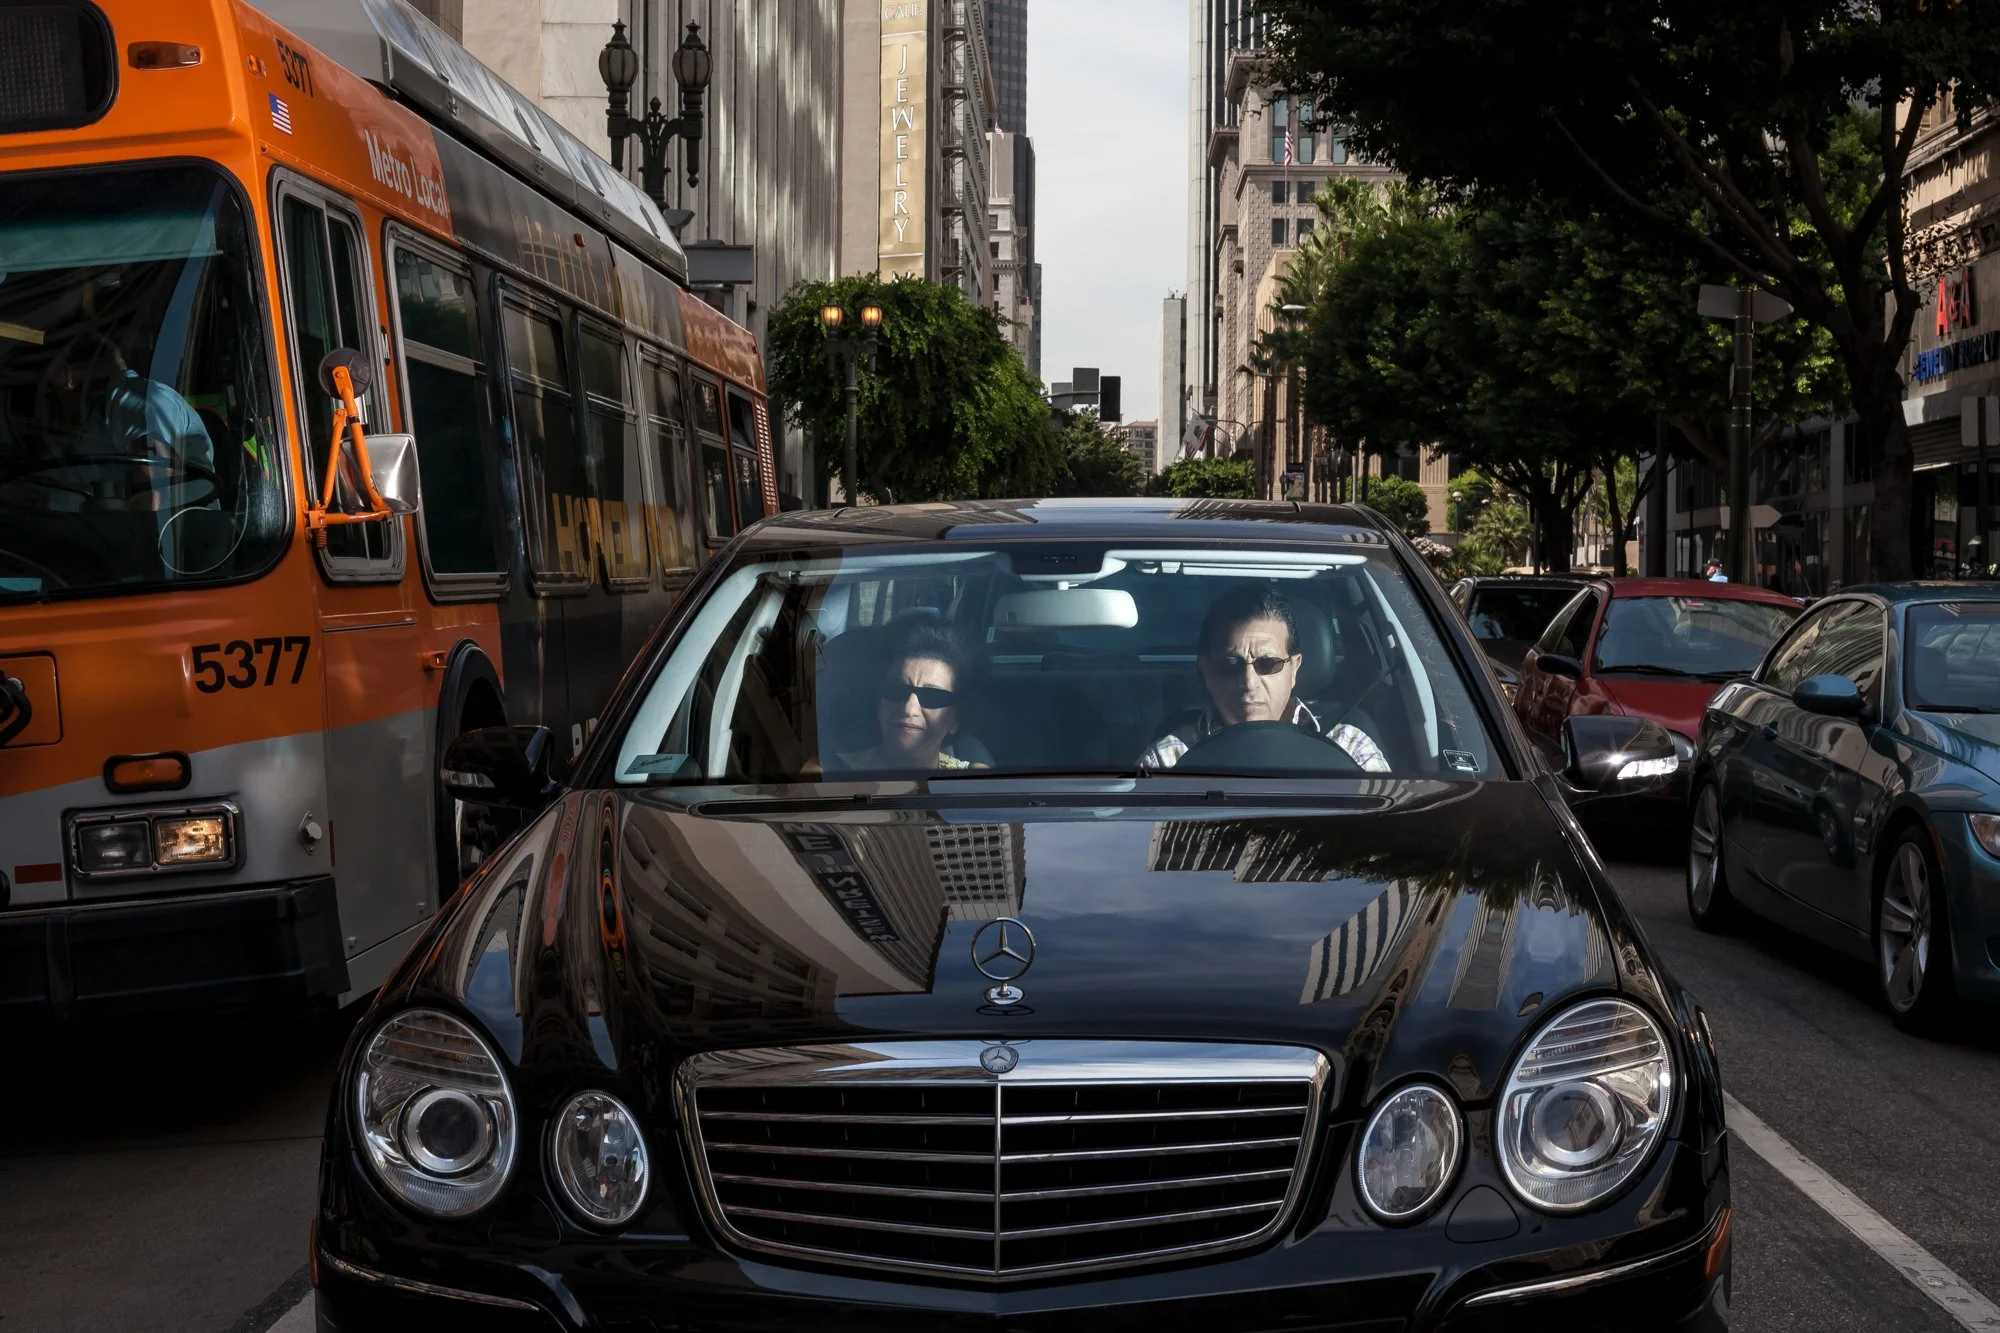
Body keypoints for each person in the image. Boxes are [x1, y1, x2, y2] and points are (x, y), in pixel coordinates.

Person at [1140, 583, 1390, 773]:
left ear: (1294, 669)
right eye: (1230, 664)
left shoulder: (1350, 748)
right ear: (1205, 670)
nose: (1248, 682)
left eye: (1267, 663)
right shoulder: (1169, 759)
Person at [42, 336, 214, 510]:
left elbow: (156, 486)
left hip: (178, 529)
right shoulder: (103, 414)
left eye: (52, 391)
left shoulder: (134, 399)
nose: (55, 402)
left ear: (68, 379)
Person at [834, 623, 991, 771]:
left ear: (957, 718)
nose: (909, 708)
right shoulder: (832, 772)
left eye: (932, 696)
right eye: (897, 690)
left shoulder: (971, 782)